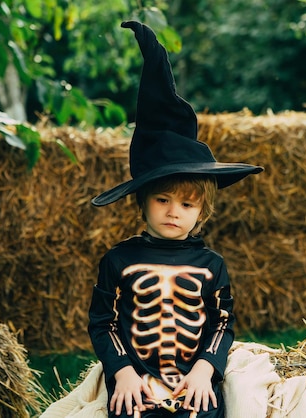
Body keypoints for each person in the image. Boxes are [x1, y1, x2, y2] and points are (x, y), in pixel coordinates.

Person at [88, 21, 263, 418]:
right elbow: (103, 322)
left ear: (202, 210)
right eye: (163, 199)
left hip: (194, 383)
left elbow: (222, 324)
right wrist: (123, 373)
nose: (173, 211)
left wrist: (205, 371)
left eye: (187, 204)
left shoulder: (211, 265)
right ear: (142, 202)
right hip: (136, 382)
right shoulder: (119, 260)